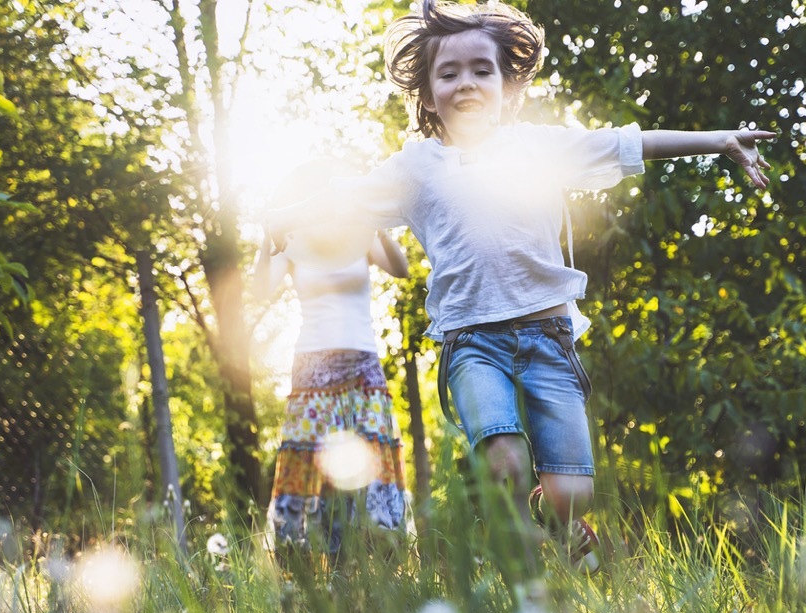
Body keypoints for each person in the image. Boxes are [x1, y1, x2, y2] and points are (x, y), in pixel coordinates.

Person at [268, 1, 776, 570]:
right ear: (428, 91)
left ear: (507, 84)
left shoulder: (538, 148)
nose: (466, 83)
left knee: (573, 494)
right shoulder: (416, 168)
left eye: (481, 70)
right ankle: (517, 572)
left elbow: (626, 144)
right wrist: (284, 215)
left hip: (548, 338)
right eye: (449, 73)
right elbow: (344, 195)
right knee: (505, 461)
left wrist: (719, 139)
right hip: (472, 344)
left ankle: (554, 518)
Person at [255, 158, 412, 565]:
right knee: (315, 467)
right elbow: (259, 290)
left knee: (371, 462)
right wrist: (265, 237)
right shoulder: (292, 244)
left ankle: (376, 566)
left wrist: (373, 221)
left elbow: (402, 269)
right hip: (311, 367)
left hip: (363, 364)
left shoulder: (359, 238)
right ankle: (323, 571)